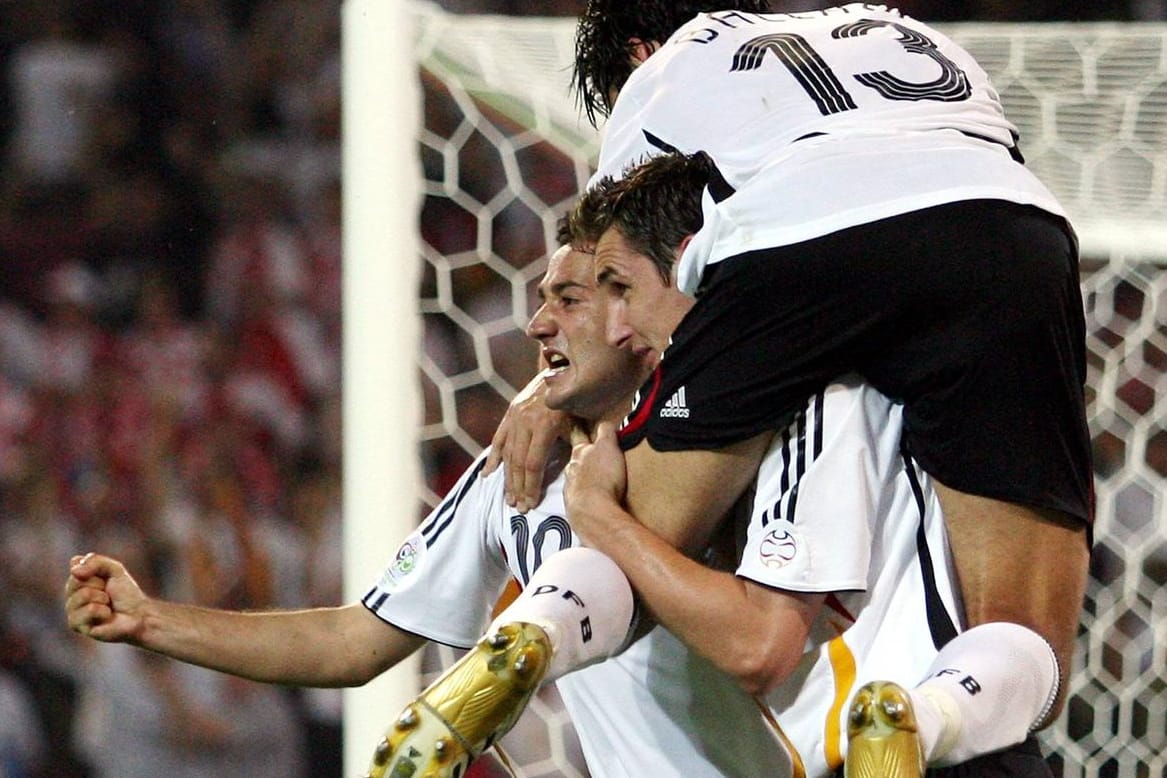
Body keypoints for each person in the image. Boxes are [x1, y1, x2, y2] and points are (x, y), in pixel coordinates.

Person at [492, 2, 1090, 771]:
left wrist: (544, 396)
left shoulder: (665, 75)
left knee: (632, 529)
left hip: (796, 237)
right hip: (1013, 233)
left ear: (637, 52)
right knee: (1024, 634)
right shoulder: (893, 26)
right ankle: (928, 715)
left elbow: (606, 283)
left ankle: (528, 640)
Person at [388, 152, 1059, 778]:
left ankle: (539, 631)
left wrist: (596, 511)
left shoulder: (809, 398)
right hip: (922, 738)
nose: (618, 324)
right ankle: (928, 716)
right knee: (1031, 652)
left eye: (619, 287)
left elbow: (757, 646)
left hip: (879, 746)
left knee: (1024, 653)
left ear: (688, 263)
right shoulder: (718, 410)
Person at [64, 241, 793, 778]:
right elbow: (353, 642)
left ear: (634, 316)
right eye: (542, 299)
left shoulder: (733, 442)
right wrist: (151, 620)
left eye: (569, 301)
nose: (538, 323)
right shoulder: (513, 475)